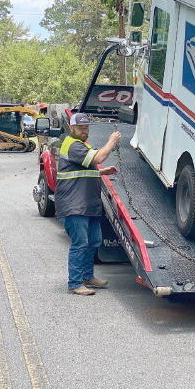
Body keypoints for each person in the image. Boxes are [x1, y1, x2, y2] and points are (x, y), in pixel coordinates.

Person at [54, 112, 121, 296]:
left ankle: (87, 277)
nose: (85, 131)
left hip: (88, 205)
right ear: (72, 127)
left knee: (94, 241)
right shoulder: (72, 145)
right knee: (81, 243)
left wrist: (102, 173)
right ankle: (75, 283)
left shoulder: (82, 145)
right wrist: (112, 141)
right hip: (74, 205)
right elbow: (98, 158)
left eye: (86, 128)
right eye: (81, 128)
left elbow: (82, 172)